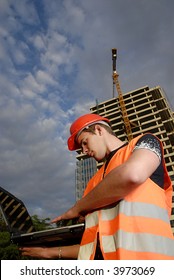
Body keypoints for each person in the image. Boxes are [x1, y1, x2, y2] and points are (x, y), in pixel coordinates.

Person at [20, 113, 174, 260]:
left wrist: (77, 208)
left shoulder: (145, 142)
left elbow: (132, 174)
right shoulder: (94, 183)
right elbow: (94, 247)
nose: (85, 151)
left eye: (85, 142)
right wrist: (49, 252)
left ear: (99, 130)